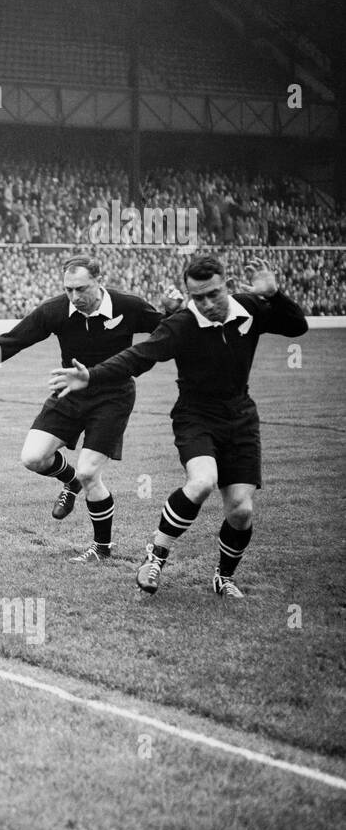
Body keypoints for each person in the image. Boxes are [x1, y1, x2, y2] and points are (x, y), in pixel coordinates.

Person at [48, 256, 308, 598]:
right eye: (197, 297)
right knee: (202, 482)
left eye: (213, 294)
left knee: (241, 509)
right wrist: (92, 375)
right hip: (195, 415)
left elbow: (296, 327)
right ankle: (155, 555)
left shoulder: (248, 309)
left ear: (227, 286)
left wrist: (274, 295)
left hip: (241, 416)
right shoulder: (182, 324)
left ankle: (223, 577)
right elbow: (138, 356)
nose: (206, 303)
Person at [0, 256, 181, 562]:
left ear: (99, 280)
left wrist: (175, 313)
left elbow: (172, 335)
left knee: (91, 472)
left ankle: (101, 548)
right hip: (67, 392)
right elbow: (13, 341)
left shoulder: (128, 306)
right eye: (68, 290)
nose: (75, 297)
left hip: (113, 396)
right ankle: (70, 481)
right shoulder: (56, 310)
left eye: (81, 289)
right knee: (33, 458)